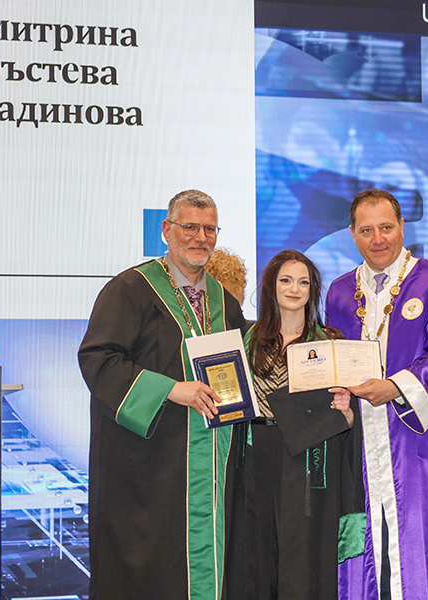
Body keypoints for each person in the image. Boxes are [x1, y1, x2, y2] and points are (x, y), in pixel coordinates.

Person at [78, 189, 246, 600]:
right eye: (190, 227)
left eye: (210, 229)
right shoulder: (130, 289)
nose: (200, 237)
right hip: (147, 470)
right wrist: (171, 389)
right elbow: (99, 359)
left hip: (209, 467)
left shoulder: (224, 302)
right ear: (167, 230)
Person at [327, 189, 428, 600]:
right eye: (366, 230)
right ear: (352, 234)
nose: (377, 239)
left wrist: (394, 387)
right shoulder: (339, 292)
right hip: (360, 444)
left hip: (422, 443)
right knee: (366, 550)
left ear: (401, 228)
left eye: (386, 228)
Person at [224, 249, 362, 600]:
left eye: (303, 282)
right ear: (271, 286)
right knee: (254, 554)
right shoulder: (244, 339)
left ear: (313, 290)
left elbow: (348, 414)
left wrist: (346, 413)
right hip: (254, 456)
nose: (294, 289)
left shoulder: (330, 343)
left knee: (302, 561)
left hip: (309, 461)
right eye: (285, 280)